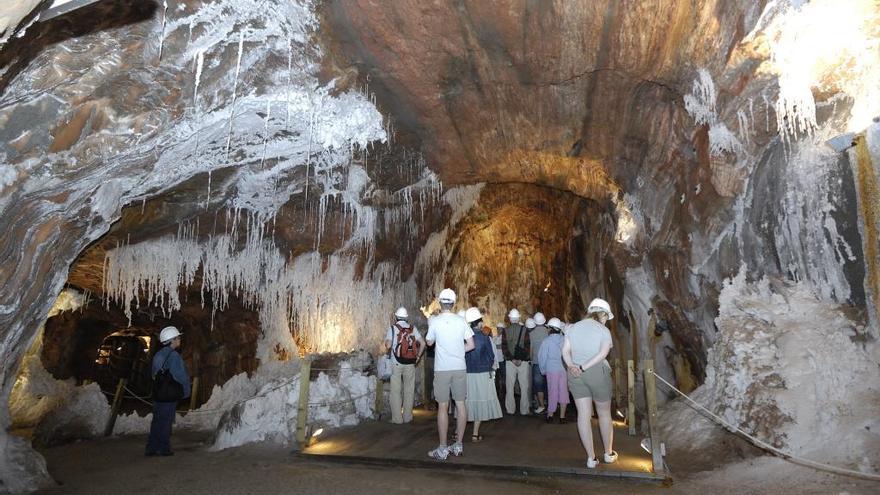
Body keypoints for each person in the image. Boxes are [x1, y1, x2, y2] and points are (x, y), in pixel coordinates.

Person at [563, 298, 617, 468]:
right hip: (594, 371)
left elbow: (565, 350)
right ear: (602, 314)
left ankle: (591, 458)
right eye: (606, 317)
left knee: (583, 414)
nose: (605, 321)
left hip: (574, 373)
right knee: (604, 413)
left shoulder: (572, 328)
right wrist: (583, 367)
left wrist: (572, 365)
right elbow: (603, 353)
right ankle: (608, 453)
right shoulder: (602, 330)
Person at [425, 289, 475, 460]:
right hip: (459, 367)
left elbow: (429, 342)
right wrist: (459, 352)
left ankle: (442, 447)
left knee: (443, 407)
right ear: (454, 304)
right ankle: (459, 444)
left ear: (440, 302)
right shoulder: (461, 321)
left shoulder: (435, 322)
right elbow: (471, 344)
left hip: (442, 369)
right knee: (461, 404)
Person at [146, 326, 190, 457]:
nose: (180, 339)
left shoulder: (158, 355)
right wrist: (185, 391)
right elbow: (180, 376)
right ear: (172, 340)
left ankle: (152, 447)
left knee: (157, 419)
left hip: (159, 392)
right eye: (178, 338)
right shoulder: (174, 356)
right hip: (169, 393)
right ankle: (163, 448)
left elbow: (154, 374)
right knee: (166, 420)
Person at [462, 308, 503, 442]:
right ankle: (474, 434)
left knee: (466, 402)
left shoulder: (464, 337)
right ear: (479, 322)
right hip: (483, 374)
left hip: (467, 373)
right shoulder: (484, 338)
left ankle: (458, 432)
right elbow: (491, 356)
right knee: (480, 402)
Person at [384, 306, 425, 424]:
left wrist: (387, 342)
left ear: (396, 317)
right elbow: (422, 343)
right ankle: (408, 416)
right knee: (409, 390)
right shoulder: (412, 328)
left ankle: (397, 418)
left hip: (396, 363)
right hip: (410, 363)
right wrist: (418, 357)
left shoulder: (392, 328)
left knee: (396, 391)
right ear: (406, 318)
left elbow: (387, 345)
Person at [538, 317, 568, 423]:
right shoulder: (564, 339)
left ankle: (550, 415)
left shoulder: (546, 341)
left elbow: (542, 357)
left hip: (551, 369)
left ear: (550, 328)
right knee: (563, 391)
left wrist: (543, 370)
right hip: (563, 370)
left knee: (552, 391)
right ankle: (562, 417)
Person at [501, 308, 530, 415]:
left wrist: (512, 359)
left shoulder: (505, 330)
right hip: (523, 362)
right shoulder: (525, 330)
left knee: (509, 386)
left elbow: (504, 347)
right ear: (518, 318)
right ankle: (524, 410)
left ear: (510, 318)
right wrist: (521, 359)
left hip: (510, 362)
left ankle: (510, 409)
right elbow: (527, 346)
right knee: (524, 386)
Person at [529, 312, 549, 414]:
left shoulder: (531, 334)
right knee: (549, 383)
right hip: (549, 362)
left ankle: (541, 406)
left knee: (539, 385)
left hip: (536, 362)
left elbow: (531, 350)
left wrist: (531, 361)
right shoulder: (548, 331)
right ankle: (551, 403)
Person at [492, 322, 506, 403]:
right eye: (498, 328)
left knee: (504, 378)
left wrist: (497, 346)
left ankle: (503, 393)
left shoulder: (504, 338)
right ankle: (497, 393)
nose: (499, 330)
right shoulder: (494, 337)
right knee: (496, 378)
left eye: (500, 329)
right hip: (496, 361)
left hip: (502, 360)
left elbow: (501, 346)